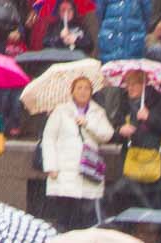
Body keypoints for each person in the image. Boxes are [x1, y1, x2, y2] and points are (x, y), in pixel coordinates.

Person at [42, 75, 115, 232]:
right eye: (79, 88)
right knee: (64, 219)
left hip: (88, 171)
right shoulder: (60, 111)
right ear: (72, 91)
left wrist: (88, 124)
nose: (83, 91)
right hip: (64, 171)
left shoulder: (98, 112)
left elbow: (107, 134)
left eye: (87, 88)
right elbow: (48, 139)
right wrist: (51, 166)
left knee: (85, 221)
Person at [112, 67, 161, 211]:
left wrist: (150, 117)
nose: (130, 88)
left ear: (144, 84)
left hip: (156, 166)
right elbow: (114, 129)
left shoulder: (158, 101)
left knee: (154, 209)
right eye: (128, 84)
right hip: (132, 164)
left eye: (135, 84)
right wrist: (120, 130)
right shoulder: (123, 103)